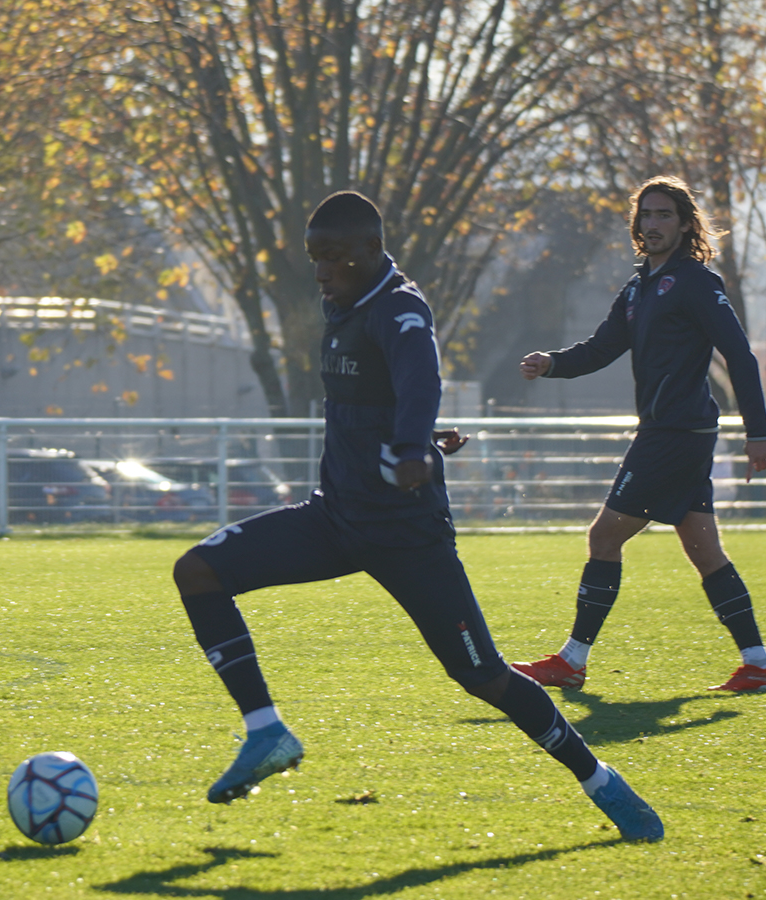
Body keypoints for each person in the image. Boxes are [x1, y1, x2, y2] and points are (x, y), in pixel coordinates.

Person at [171, 190, 663, 842]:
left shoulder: (399, 308)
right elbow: (382, 396)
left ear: (372, 252)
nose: (321, 270)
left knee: (483, 675)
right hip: (334, 519)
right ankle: (267, 731)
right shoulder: (341, 302)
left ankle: (599, 779)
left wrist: (411, 446)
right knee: (198, 571)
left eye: (334, 256)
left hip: (407, 537)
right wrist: (422, 441)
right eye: (314, 257)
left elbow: (418, 375)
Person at [514, 176, 766, 693]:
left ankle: (572, 660)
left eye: (664, 215)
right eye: (646, 215)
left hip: (674, 434)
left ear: (685, 224)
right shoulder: (638, 288)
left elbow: (739, 356)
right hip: (675, 433)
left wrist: (758, 433)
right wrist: (552, 363)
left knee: (603, 536)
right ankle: (758, 660)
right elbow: (600, 348)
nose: (652, 224)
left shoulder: (696, 282)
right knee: (704, 550)